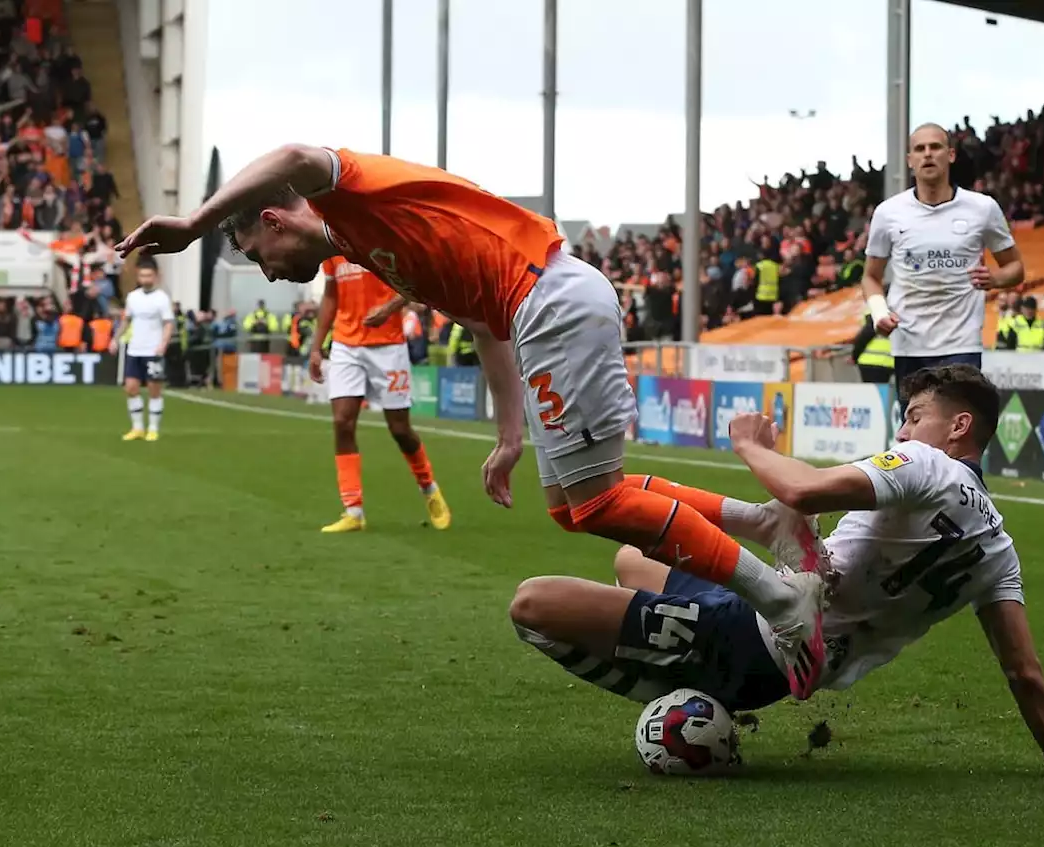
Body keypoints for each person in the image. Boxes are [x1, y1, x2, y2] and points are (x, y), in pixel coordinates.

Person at [115, 144, 829, 698]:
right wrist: (509, 436)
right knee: (577, 509)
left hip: (550, 300)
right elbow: (484, 328)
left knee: (599, 501)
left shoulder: (351, 194)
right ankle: (766, 523)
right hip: (538, 310)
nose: (266, 272)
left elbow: (297, 157)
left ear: (273, 220)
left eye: (256, 254)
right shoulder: (368, 249)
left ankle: (780, 599)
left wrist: (194, 222)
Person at [509, 365, 1044, 778]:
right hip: (799, 666)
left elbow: (802, 488)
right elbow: (1023, 671)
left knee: (532, 605)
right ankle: (705, 653)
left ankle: (675, 692)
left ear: (958, 428)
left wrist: (748, 445)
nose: (903, 430)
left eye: (916, 416)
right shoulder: (999, 550)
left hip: (758, 636)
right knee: (630, 559)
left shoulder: (927, 463)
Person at [860, 124, 1025, 398]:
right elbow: (870, 277)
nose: (927, 154)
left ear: (950, 155)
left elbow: (1016, 268)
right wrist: (879, 313)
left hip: (962, 344)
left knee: (959, 432)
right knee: (915, 435)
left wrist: (995, 279)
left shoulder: (982, 208)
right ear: (910, 160)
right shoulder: (888, 213)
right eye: (919, 149)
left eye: (935, 147)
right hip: (909, 344)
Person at [310, 255, 450, 533]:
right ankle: (353, 511)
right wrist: (316, 347)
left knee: (400, 429)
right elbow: (330, 296)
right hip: (345, 345)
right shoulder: (331, 246)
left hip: (388, 346)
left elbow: (414, 284)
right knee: (342, 422)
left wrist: (389, 309)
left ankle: (429, 488)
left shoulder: (379, 235)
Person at [110, 255, 172, 442]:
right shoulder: (133, 297)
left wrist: (163, 344)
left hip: (153, 350)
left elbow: (168, 323)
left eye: (149, 276)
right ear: (138, 277)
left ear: (155, 277)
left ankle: (153, 428)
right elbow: (127, 320)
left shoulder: (161, 298)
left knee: (154, 389)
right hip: (134, 349)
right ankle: (137, 427)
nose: (145, 279)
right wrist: (115, 339)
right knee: (131, 388)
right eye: (142, 276)